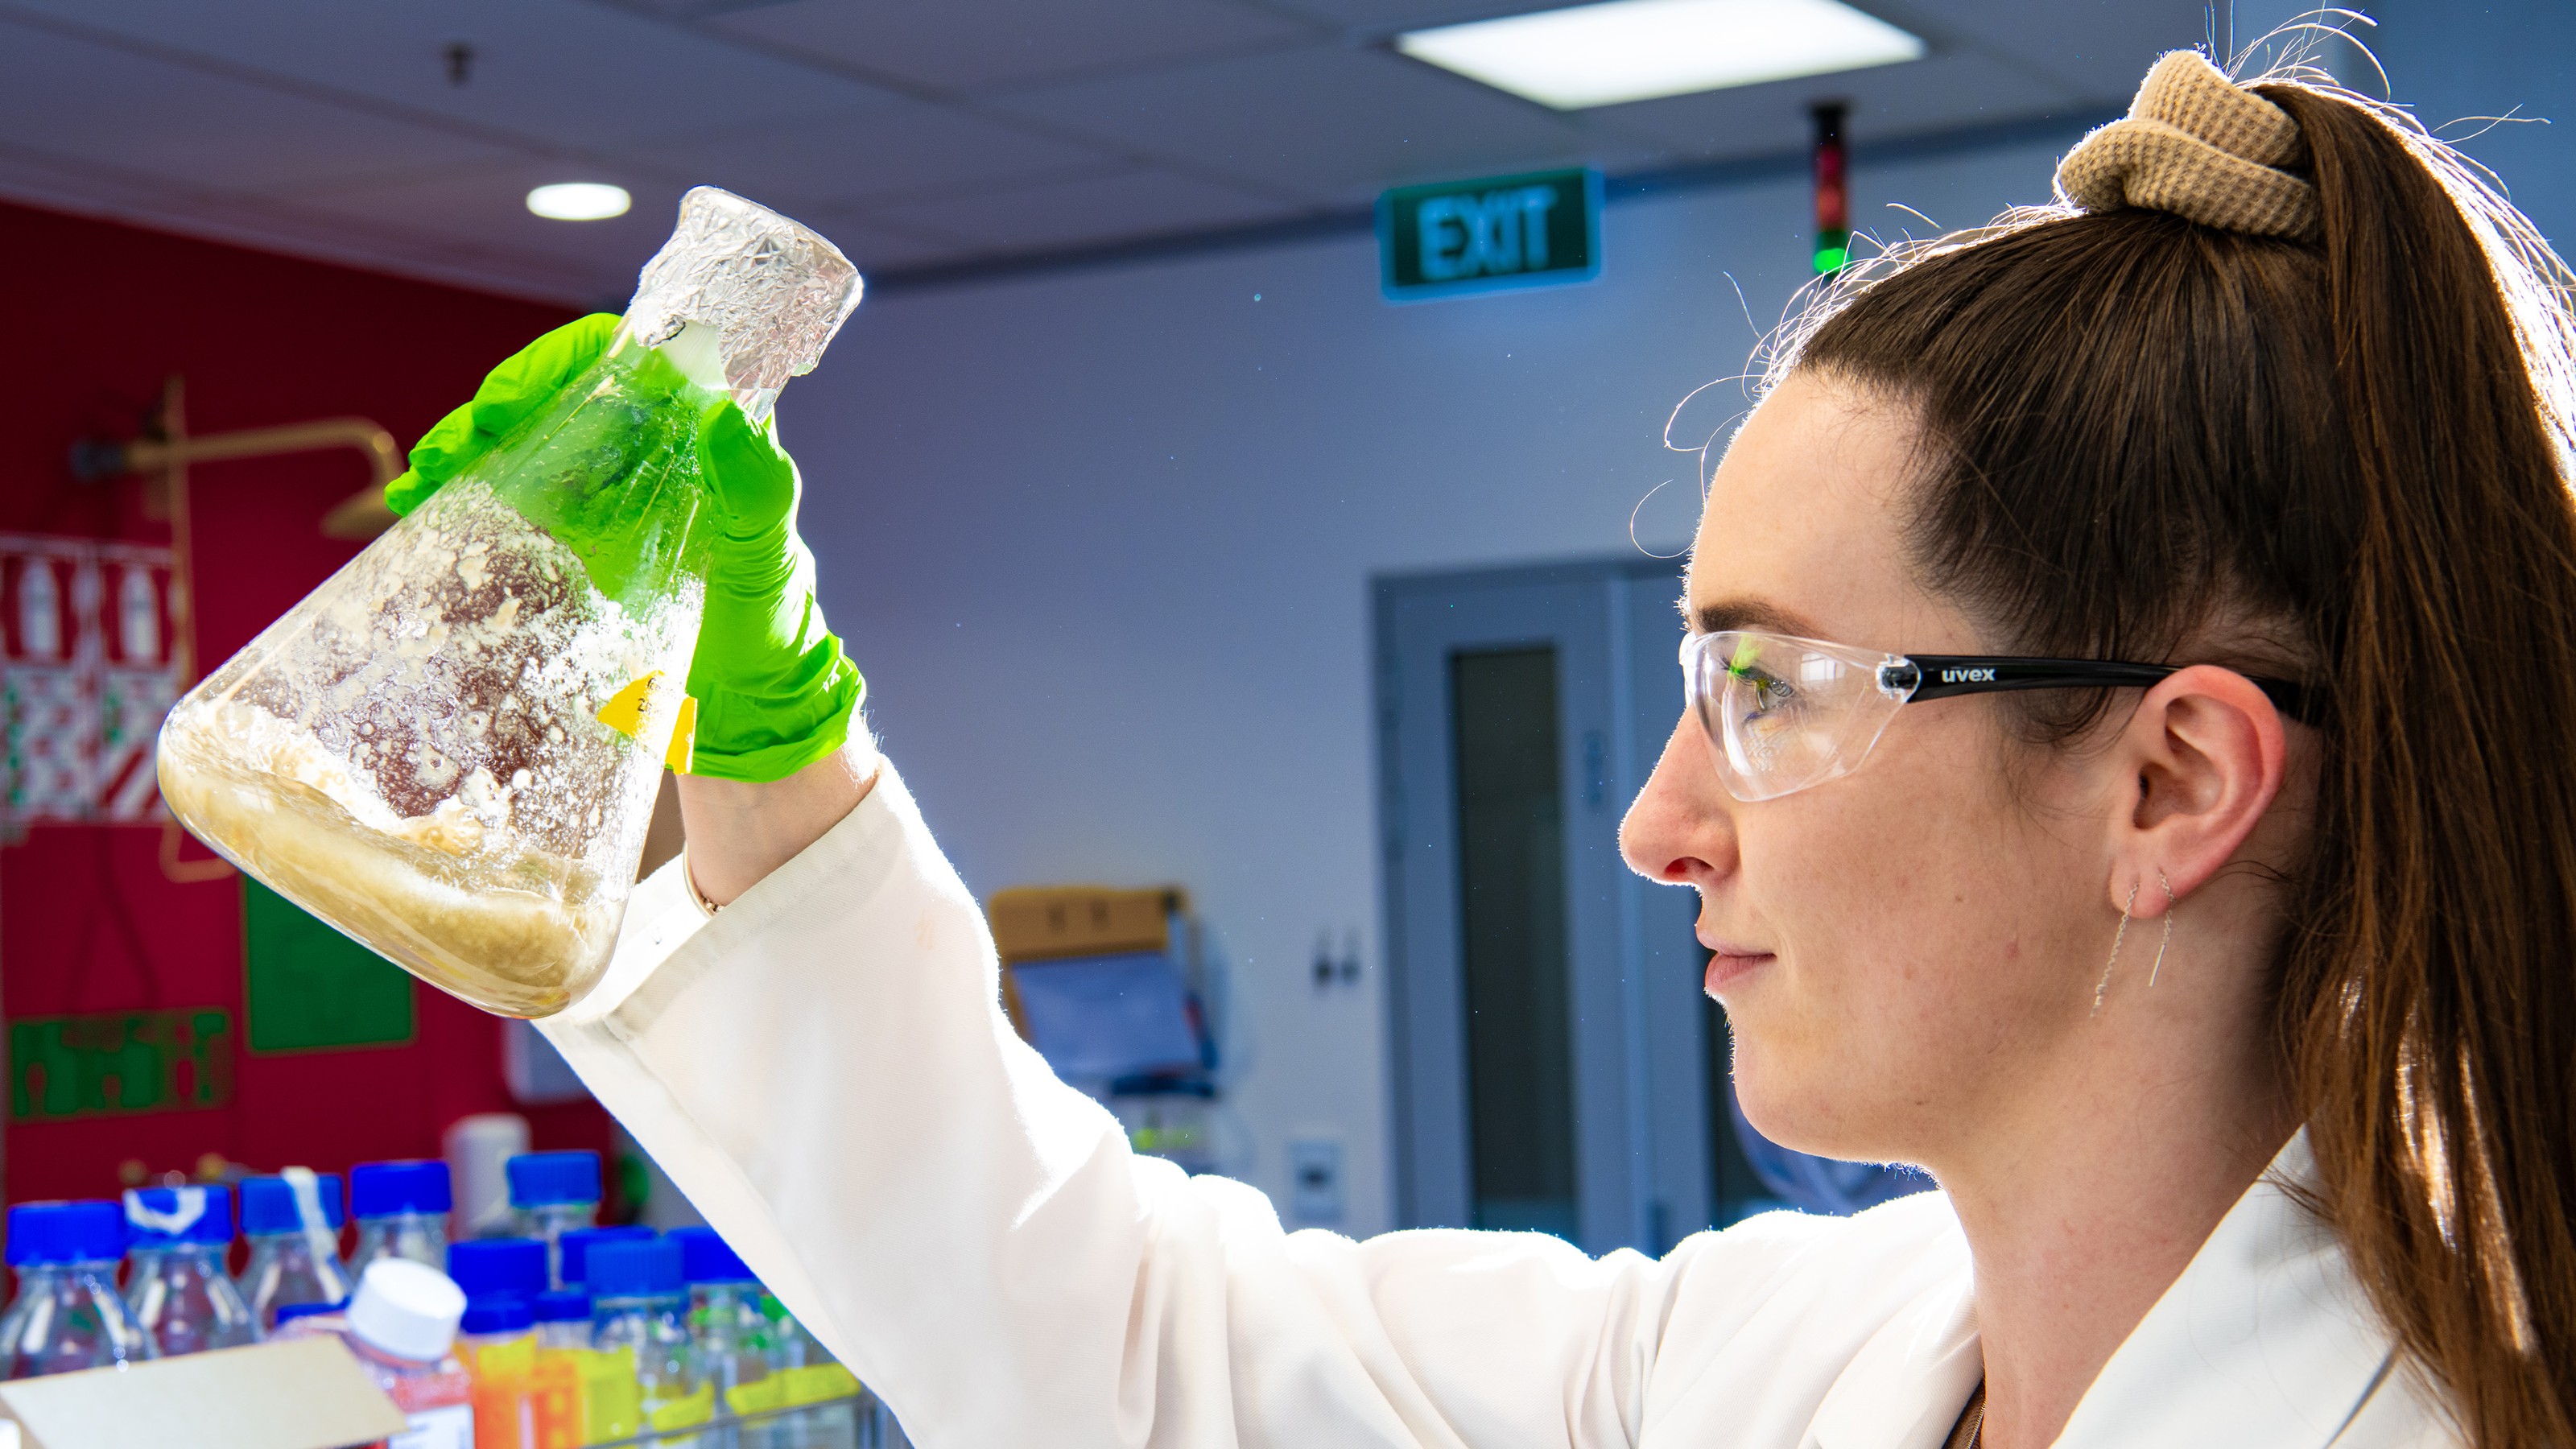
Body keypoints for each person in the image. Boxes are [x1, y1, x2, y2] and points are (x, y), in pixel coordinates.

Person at [386, 48, 2575, 1449]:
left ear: (2171, 786)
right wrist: (770, 727)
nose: (1655, 825)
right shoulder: (1800, 1357)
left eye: (1773, 691)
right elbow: (1140, 1350)